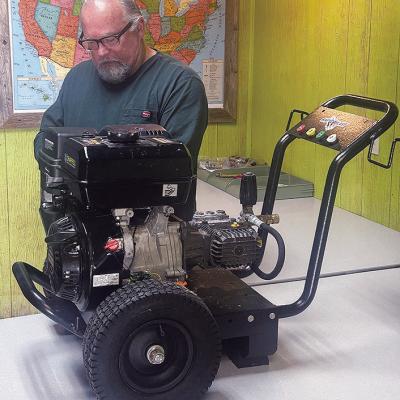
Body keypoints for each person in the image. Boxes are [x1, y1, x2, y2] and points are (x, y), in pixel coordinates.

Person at [34, 0, 208, 170]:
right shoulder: (76, 77)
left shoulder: (180, 84)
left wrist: (80, 164)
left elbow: (173, 169)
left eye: (111, 39)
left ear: (139, 28)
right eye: (91, 43)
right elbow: (44, 140)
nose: (101, 52)